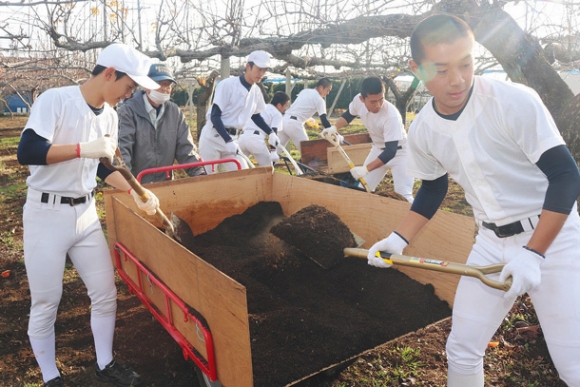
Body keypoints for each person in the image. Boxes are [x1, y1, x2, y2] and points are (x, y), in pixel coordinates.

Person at [366, 14, 580, 387]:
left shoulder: (513, 101)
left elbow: (566, 175)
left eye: (466, 63)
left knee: (572, 364)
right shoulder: (423, 130)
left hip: (553, 238)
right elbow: (433, 189)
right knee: (462, 349)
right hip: (490, 242)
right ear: (416, 69)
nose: (458, 80)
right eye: (442, 69)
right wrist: (397, 239)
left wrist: (535, 253)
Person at [16, 43, 162, 387]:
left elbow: (100, 166)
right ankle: (51, 377)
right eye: (128, 87)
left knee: (105, 292)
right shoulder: (56, 99)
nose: (128, 96)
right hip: (45, 214)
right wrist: (85, 148)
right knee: (47, 301)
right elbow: (28, 150)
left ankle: (105, 362)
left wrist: (135, 191)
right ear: (109, 73)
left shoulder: (109, 115)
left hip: (84, 215)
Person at [328, 76, 414, 202]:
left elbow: (391, 151)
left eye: (381, 99)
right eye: (373, 102)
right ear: (362, 99)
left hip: (401, 153)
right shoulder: (358, 101)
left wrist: (366, 169)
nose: (378, 105)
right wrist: (334, 128)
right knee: (363, 188)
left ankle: (422, 219)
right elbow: (349, 115)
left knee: (403, 195)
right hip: (378, 149)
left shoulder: (391, 116)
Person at [117, 63, 205, 184]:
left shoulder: (175, 113)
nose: (164, 89)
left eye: (168, 85)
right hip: (138, 184)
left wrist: (199, 172)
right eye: (159, 84)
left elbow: (186, 148)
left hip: (166, 183)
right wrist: (127, 183)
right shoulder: (129, 111)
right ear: (146, 86)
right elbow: (123, 149)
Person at [198, 50, 278, 174]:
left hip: (232, 140)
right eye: (259, 69)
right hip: (213, 138)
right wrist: (227, 140)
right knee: (208, 179)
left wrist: (271, 133)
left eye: (264, 70)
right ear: (248, 67)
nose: (261, 73)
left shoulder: (256, 91)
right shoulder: (227, 85)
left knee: (244, 175)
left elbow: (255, 116)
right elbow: (215, 116)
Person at [278, 77, 335, 155]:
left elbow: (301, 107)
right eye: (327, 90)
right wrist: (334, 133)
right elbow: (324, 120)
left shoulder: (305, 91)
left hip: (284, 121)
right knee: (308, 153)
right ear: (321, 88)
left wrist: (308, 118)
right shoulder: (319, 100)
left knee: (275, 153)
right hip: (294, 125)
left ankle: (266, 166)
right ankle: (300, 166)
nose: (328, 93)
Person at [238, 91, 290, 167]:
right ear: (279, 105)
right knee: (268, 169)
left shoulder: (262, 107)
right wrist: (273, 151)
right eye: (285, 105)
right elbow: (274, 132)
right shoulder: (277, 114)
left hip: (242, 139)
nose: (285, 109)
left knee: (239, 169)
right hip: (255, 140)